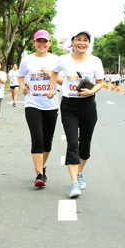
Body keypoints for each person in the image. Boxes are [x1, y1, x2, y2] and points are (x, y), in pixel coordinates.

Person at [49, 30, 104, 198]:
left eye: (85, 40)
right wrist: (52, 88)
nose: (82, 42)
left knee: (85, 144)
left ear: (89, 43)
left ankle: (80, 172)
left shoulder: (95, 61)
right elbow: (53, 72)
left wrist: (91, 91)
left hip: (88, 105)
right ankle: (74, 182)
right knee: (73, 142)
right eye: (78, 39)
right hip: (69, 105)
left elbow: (100, 82)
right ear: (72, 42)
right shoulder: (64, 60)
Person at [18, 29, 62, 188]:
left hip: (51, 105)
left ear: (49, 43)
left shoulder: (56, 60)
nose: (42, 44)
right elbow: (21, 76)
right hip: (32, 104)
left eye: (45, 41)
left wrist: (50, 74)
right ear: (34, 43)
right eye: (39, 41)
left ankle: (41, 166)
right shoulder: (27, 60)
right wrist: (22, 87)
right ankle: (39, 174)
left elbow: (62, 80)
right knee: (37, 138)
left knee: (47, 142)